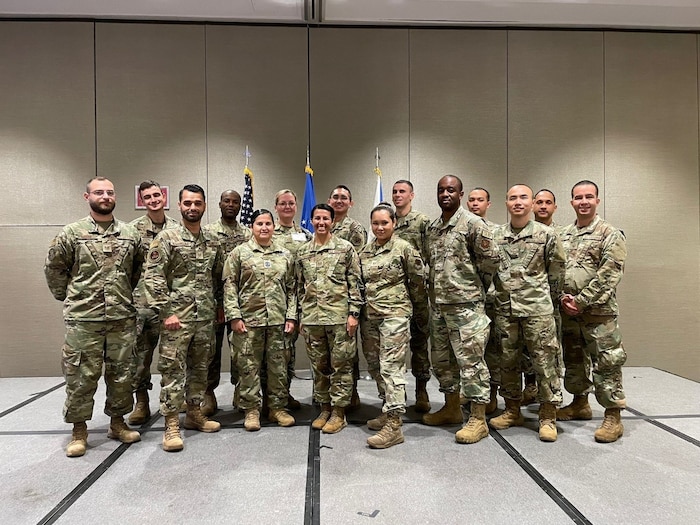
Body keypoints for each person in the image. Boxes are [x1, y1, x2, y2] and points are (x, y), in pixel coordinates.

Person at [44, 177, 142, 457]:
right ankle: (79, 430)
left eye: (110, 192)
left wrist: (121, 296)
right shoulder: (71, 233)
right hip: (84, 319)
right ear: (86, 197)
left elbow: (135, 272)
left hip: (121, 317)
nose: (105, 196)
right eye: (99, 192)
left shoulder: (129, 233)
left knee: (122, 374)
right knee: (81, 376)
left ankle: (118, 423)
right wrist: (74, 298)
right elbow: (54, 270)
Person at [145, 184, 223, 452]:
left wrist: (218, 309)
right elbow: (153, 276)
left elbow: (218, 277)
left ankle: (193, 413)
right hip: (176, 319)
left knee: (200, 369)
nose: (192, 207)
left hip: (205, 318)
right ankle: (171, 424)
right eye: (187, 203)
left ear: (204, 206)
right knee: (172, 371)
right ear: (179, 205)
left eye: (197, 203)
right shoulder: (166, 238)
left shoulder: (212, 240)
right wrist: (167, 312)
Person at [422, 175, 500, 444]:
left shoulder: (473, 224)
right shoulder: (433, 228)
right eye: (441, 189)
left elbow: (490, 263)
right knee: (443, 362)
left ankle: (478, 419)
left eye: (451, 190)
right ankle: (452, 407)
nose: (445, 194)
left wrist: (473, 290)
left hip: (466, 308)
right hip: (439, 308)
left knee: (471, 363)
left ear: (460, 194)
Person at [488, 185, 565, 441]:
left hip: (538, 310)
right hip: (505, 309)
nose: (518, 202)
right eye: (512, 198)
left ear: (532, 204)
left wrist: (548, 302)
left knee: (544, 363)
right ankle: (512, 410)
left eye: (523, 198)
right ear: (506, 203)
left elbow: (557, 274)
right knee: (507, 362)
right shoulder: (495, 234)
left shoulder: (547, 235)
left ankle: (547, 416)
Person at [558, 180, 627, 443]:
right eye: (578, 197)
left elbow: (609, 273)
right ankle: (579, 403)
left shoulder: (610, 233)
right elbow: (557, 270)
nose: (583, 201)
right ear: (572, 202)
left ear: (597, 200)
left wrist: (582, 301)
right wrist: (564, 298)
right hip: (569, 311)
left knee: (607, 362)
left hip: (599, 313)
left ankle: (613, 416)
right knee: (574, 359)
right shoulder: (564, 235)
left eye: (589, 196)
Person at [360, 204, 428, 448]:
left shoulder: (404, 249)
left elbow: (419, 282)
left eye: (384, 223)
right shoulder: (365, 252)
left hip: (395, 316)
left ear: (394, 223)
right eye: (376, 223)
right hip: (371, 317)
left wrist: (417, 312)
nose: (380, 227)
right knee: (375, 365)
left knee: (391, 368)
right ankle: (387, 410)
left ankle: (395, 425)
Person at [223, 209, 297, 431]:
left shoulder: (285, 255)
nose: (264, 227)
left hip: (278, 320)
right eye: (259, 224)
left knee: (278, 367)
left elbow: (293, 288)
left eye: (268, 223)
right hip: (248, 320)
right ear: (252, 227)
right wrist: (234, 316)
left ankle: (276, 408)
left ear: (274, 226)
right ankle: (252, 410)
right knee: (248, 367)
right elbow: (229, 286)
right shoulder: (239, 253)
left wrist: (291, 316)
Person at [296, 204, 363, 434]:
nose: (321, 222)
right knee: (320, 367)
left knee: (341, 366)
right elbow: (298, 287)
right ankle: (325, 407)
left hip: (339, 318)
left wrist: (354, 314)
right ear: (311, 221)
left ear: (333, 221)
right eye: (317, 218)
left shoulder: (345, 249)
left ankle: (338, 412)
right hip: (313, 319)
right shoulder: (303, 252)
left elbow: (355, 283)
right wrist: (301, 317)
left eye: (326, 218)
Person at [127, 181, 179, 425]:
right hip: (142, 305)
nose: (153, 199)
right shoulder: (132, 230)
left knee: (173, 358)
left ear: (164, 197)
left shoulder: (178, 229)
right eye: (148, 197)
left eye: (157, 195)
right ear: (142, 201)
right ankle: (141, 402)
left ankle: (175, 405)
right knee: (140, 357)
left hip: (172, 305)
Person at [202, 190, 251, 416]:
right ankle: (208, 395)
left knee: (241, 351)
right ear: (219, 203)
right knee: (210, 352)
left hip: (241, 303)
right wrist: (218, 302)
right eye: (227, 201)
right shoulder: (208, 232)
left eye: (235, 202)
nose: (231, 205)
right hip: (211, 302)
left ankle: (240, 391)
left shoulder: (248, 234)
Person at [391, 180, 432, 413]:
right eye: (395, 192)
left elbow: (429, 254)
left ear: (412, 195)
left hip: (417, 293)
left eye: (402, 192)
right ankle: (397, 392)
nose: (398, 195)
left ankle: (421, 389)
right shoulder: (388, 220)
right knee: (395, 346)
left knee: (419, 343)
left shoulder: (421, 222)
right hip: (394, 296)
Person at [272, 189, 312, 411]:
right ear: (276, 206)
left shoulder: (306, 235)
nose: (287, 207)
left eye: (291, 203)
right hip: (278, 300)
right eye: (282, 203)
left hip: (302, 300)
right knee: (277, 352)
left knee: (290, 351)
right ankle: (273, 397)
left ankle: (284, 393)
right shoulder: (268, 231)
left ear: (296, 206)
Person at [328, 185, 367, 410]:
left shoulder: (354, 229)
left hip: (347, 298)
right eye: (335, 197)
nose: (339, 200)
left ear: (350, 203)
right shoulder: (323, 224)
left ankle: (351, 393)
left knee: (347, 351)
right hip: (325, 301)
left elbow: (358, 267)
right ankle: (329, 395)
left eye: (344, 198)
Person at [466, 187, 500, 415]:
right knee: (472, 351)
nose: (475, 203)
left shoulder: (497, 231)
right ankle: (472, 395)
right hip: (471, 302)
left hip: (494, 299)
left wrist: (484, 286)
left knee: (494, 351)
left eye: (480, 200)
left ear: (489, 203)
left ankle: (492, 396)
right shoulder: (466, 228)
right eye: (471, 200)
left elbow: (494, 264)